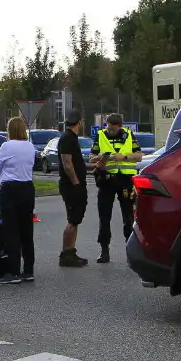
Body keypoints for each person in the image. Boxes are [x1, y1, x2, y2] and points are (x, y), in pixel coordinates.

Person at [90, 113, 141, 263]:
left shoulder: (129, 135)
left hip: (125, 180)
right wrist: (102, 157)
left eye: (113, 129)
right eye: (108, 127)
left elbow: (139, 156)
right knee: (104, 217)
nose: (109, 131)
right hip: (106, 180)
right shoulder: (100, 135)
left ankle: (130, 251)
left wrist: (123, 157)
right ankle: (104, 250)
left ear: (120, 126)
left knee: (128, 217)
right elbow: (91, 157)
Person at [0, 116, 37, 284]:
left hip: (10, 189)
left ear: (10, 130)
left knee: (11, 230)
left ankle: (13, 271)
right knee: (26, 230)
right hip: (27, 188)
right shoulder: (30, 146)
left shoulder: (6, 146)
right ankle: (29, 270)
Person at [57, 111, 90, 268]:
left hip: (75, 184)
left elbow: (75, 163)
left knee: (75, 220)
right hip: (72, 186)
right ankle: (66, 255)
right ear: (80, 122)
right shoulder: (67, 138)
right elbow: (67, 163)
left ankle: (70, 252)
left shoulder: (70, 137)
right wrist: (76, 183)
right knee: (72, 220)